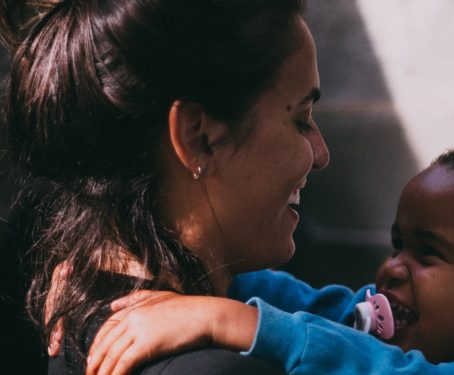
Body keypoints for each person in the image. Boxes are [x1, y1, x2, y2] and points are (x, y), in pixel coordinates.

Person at [86, 112, 454, 375]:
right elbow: (323, 310)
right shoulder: (428, 329)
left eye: (428, 254)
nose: (391, 269)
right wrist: (157, 268)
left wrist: (231, 323)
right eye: (398, 244)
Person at [0, 0, 327, 373]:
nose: (321, 154)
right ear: (197, 137)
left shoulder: (78, 308)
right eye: (301, 120)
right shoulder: (222, 368)